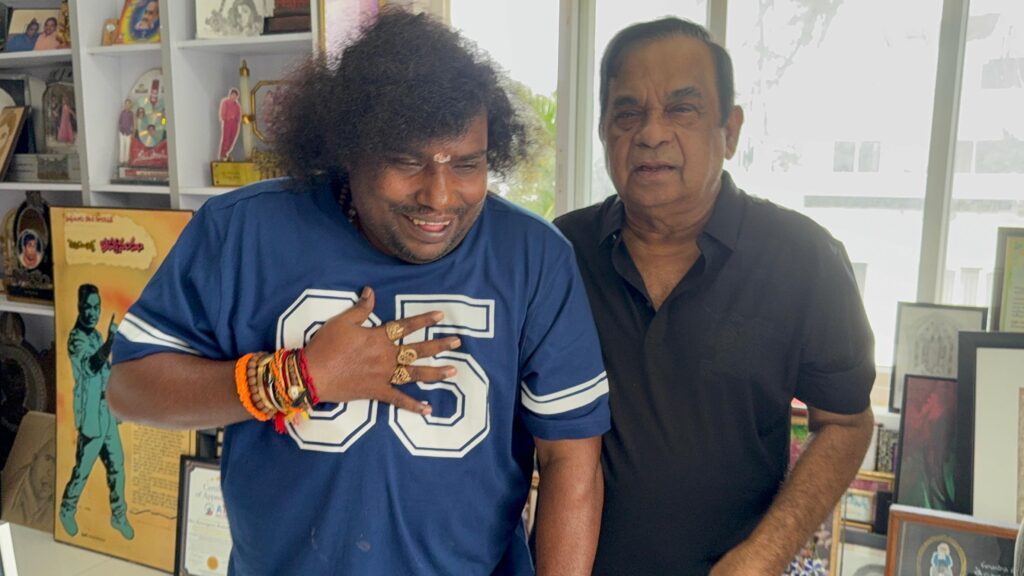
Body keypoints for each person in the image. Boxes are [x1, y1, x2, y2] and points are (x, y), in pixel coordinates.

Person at [107, 9, 608, 576]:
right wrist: (297, 376)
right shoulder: (243, 232)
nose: (440, 196)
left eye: (467, 165)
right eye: (407, 162)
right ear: (349, 149)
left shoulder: (534, 256)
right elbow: (129, 387)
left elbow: (571, 459)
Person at [554, 17, 876, 575]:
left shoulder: (804, 258)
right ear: (603, 129)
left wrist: (765, 554)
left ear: (730, 130)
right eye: (628, 113)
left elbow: (846, 423)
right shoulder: (559, 254)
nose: (651, 133)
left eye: (682, 109)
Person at [59, 284, 134, 540]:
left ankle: (118, 516)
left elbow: (104, 371)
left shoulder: (95, 335)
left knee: (117, 467)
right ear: (79, 308)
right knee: (82, 470)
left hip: (107, 413)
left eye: (96, 307)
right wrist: (111, 342)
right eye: (88, 307)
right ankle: (67, 510)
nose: (93, 313)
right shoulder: (76, 339)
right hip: (91, 416)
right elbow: (90, 367)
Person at [217, 88, 241, 161]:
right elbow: (222, 113)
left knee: (232, 139)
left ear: (237, 97)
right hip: (228, 123)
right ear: (230, 95)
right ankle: (222, 154)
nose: (234, 97)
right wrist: (228, 117)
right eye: (233, 95)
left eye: (235, 96)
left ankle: (226, 153)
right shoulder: (225, 102)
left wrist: (237, 120)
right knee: (226, 139)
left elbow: (239, 115)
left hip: (235, 124)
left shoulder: (237, 105)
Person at [118, 99, 134, 165]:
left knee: (127, 147)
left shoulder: (131, 114)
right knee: (122, 146)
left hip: (128, 133)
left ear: (130, 105)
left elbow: (132, 123)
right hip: (122, 132)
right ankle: (121, 161)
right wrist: (120, 128)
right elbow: (119, 121)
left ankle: (126, 161)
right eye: (126, 104)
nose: (127, 105)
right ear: (124, 105)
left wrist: (131, 131)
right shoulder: (122, 113)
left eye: (128, 104)